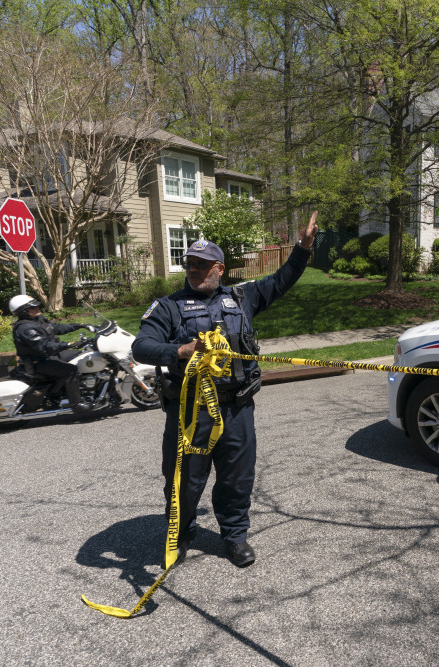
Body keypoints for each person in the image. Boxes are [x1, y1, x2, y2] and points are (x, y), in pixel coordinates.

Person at [132, 212, 318, 568]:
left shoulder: (242, 297)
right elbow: (141, 346)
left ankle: (235, 537)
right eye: (190, 265)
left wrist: (303, 247)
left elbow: (283, 279)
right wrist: (179, 351)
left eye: (203, 266)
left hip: (237, 409)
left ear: (219, 269)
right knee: (185, 480)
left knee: (237, 478)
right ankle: (182, 535)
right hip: (191, 412)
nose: (195, 271)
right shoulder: (169, 307)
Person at [9, 295, 96, 413]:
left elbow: (57, 328)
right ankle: (76, 404)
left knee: (83, 355)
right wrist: (69, 344)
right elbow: (45, 346)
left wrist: (80, 325)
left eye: (37, 306)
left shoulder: (37, 320)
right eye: (32, 307)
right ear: (23, 311)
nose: (37, 308)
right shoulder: (25, 328)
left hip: (50, 356)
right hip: (38, 362)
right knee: (71, 370)